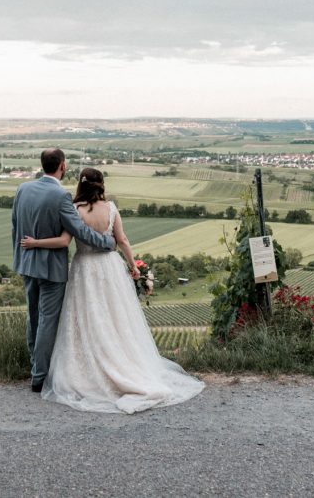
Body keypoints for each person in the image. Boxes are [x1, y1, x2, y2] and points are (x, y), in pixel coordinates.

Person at [21, 167, 205, 414]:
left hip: (83, 269)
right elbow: (123, 240)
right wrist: (134, 266)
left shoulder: (74, 210)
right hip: (109, 268)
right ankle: (122, 362)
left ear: (81, 186)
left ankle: (87, 368)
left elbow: (65, 241)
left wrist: (34, 243)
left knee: (85, 319)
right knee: (115, 318)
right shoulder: (112, 209)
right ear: (101, 185)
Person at [12, 148, 117, 393]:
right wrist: (107, 243)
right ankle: (39, 377)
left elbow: (15, 227)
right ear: (62, 165)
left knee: (33, 317)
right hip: (51, 270)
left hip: (27, 264)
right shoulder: (61, 196)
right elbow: (80, 231)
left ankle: (34, 366)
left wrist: (21, 257)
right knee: (47, 321)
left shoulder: (22, 189)